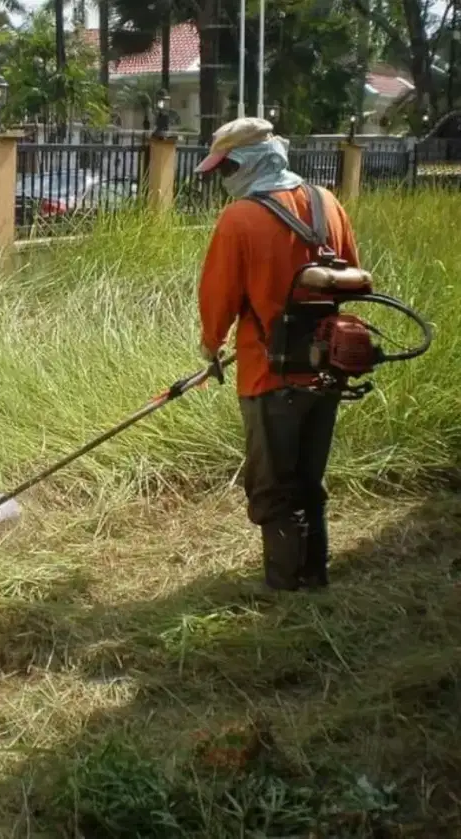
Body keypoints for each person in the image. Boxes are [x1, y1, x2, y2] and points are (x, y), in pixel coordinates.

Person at [194, 116, 361, 592]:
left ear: (248, 164)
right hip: (328, 368)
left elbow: (218, 299)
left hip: (269, 377)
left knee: (273, 486)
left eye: (226, 169)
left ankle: (283, 585)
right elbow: (352, 272)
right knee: (310, 480)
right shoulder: (327, 203)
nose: (224, 180)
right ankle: (315, 574)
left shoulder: (240, 218)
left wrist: (211, 346)